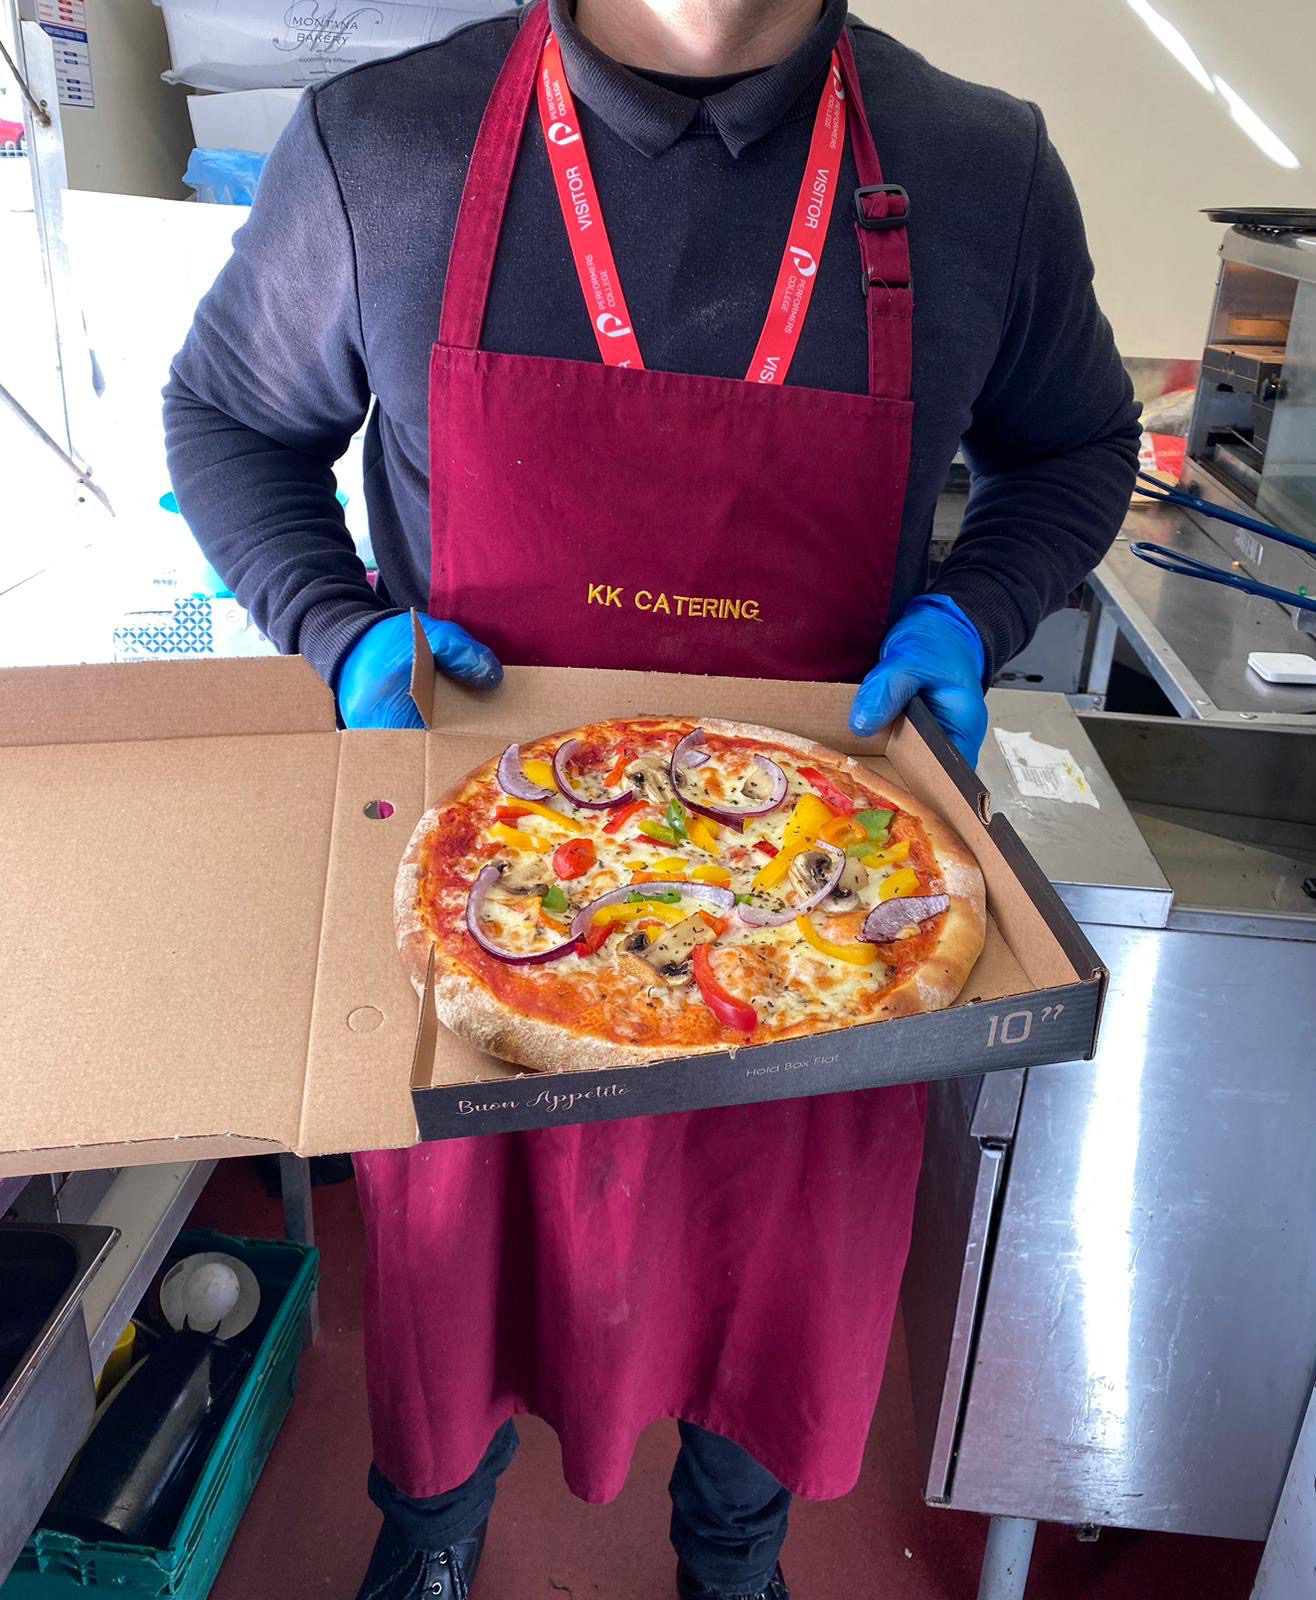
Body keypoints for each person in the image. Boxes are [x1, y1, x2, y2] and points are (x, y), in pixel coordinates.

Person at [164, 0, 1139, 1593]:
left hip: (824, 918)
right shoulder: (387, 146)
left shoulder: (979, 164)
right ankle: (431, 1543)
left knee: (774, 1294)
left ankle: (734, 1559)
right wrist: (336, 631)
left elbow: (1083, 444)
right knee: (454, 1284)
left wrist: (981, 607)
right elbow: (229, 421)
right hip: (498, 895)